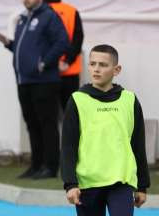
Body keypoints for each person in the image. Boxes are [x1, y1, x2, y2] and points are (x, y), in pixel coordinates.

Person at [0, 0, 70, 179]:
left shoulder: (48, 16)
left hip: (44, 80)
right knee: (32, 124)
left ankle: (50, 167)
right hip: (24, 80)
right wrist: (8, 43)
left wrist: (44, 62)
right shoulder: (22, 19)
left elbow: (63, 42)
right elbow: (22, 48)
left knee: (47, 124)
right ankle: (36, 165)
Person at [61, 45, 150, 215]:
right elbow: (68, 146)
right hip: (87, 183)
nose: (96, 69)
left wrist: (142, 186)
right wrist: (70, 184)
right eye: (92, 64)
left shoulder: (129, 100)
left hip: (121, 182)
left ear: (116, 70)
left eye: (103, 65)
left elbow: (138, 144)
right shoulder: (77, 100)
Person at [43, 0, 85, 109]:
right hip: (69, 72)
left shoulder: (38, 13)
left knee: (47, 118)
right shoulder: (71, 11)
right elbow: (78, 39)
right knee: (71, 117)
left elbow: (35, 44)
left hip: (45, 73)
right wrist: (67, 61)